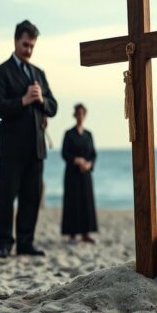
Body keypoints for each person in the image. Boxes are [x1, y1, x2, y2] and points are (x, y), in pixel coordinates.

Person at [0, 20, 57, 258]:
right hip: (11, 148)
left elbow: (54, 107)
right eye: (25, 44)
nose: (28, 50)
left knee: (31, 198)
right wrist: (23, 101)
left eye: (32, 46)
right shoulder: (1, 71)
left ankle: (26, 243)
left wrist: (41, 100)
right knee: (6, 198)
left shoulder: (39, 73)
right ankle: (2, 244)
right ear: (16, 41)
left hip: (36, 148)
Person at [61, 103, 97, 244]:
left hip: (85, 174)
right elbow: (64, 153)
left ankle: (85, 233)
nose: (80, 116)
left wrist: (88, 164)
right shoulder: (69, 134)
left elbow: (93, 154)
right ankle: (72, 234)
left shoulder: (88, 135)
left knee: (86, 202)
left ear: (85, 115)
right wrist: (76, 160)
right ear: (75, 115)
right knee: (72, 202)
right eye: (78, 113)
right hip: (72, 173)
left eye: (83, 113)